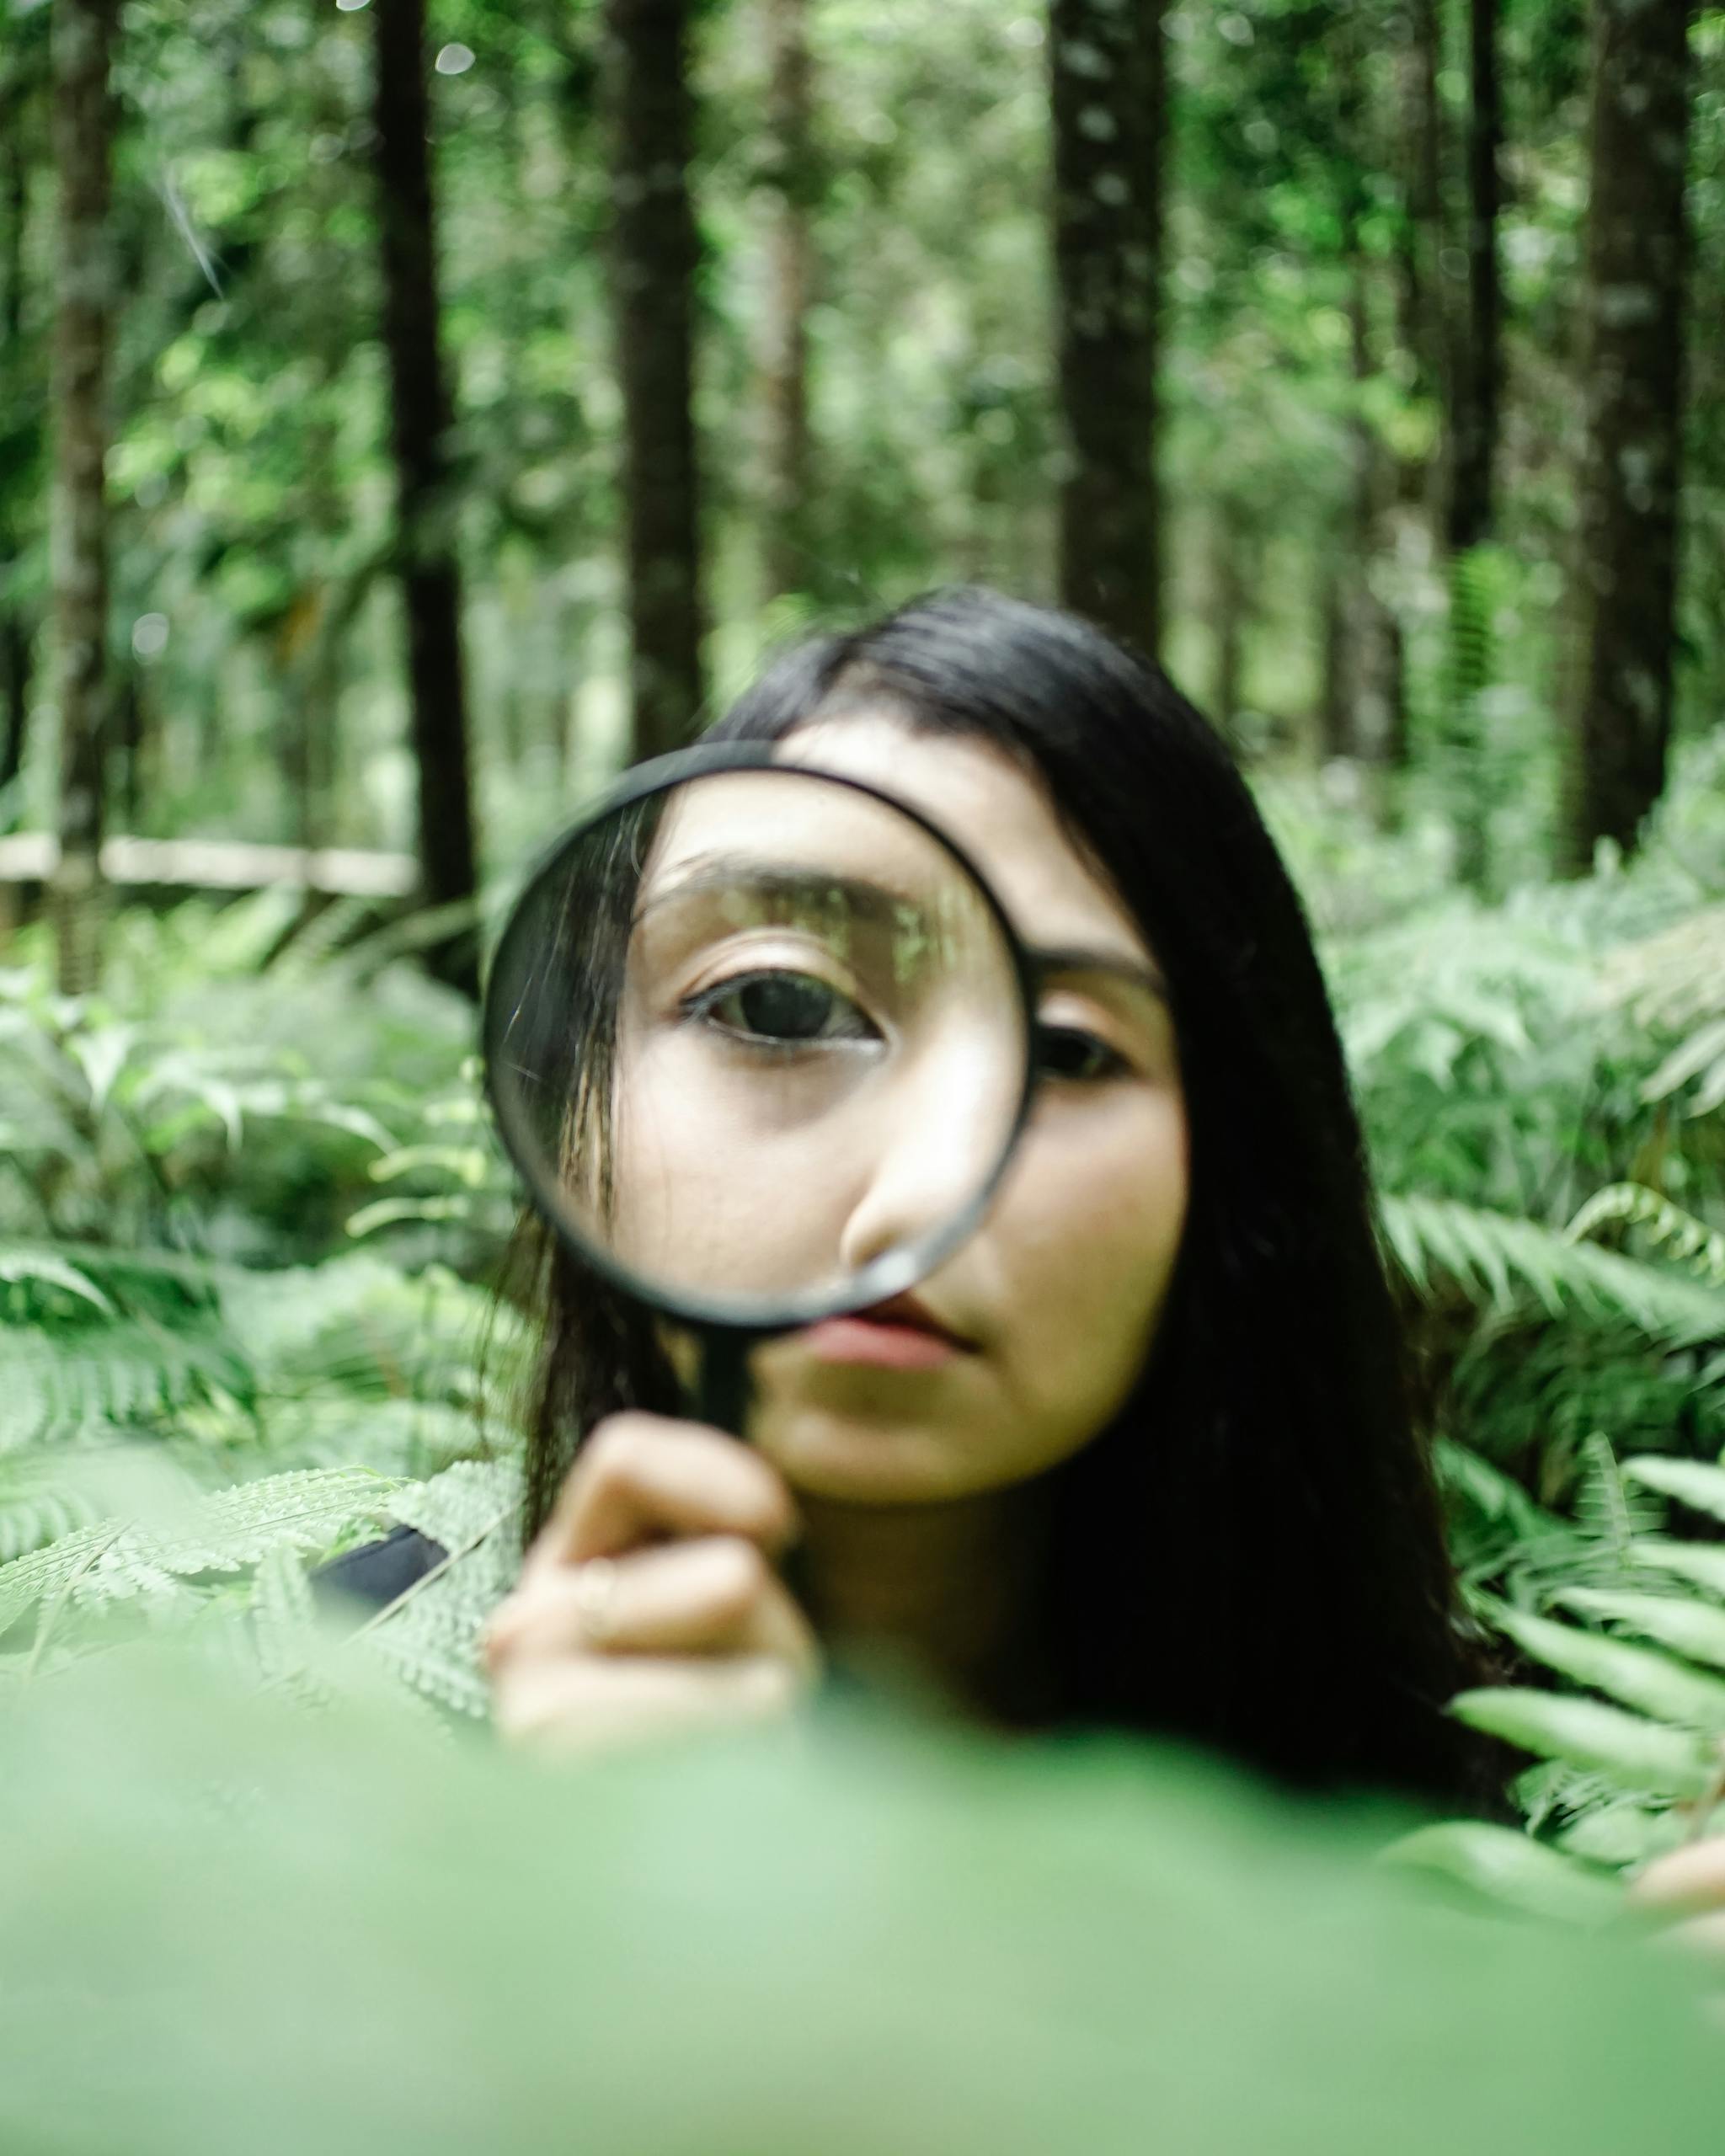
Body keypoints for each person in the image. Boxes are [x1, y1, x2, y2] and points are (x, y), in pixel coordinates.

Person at [466, 584, 1502, 1808]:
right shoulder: (313, 1707)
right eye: (777, 1003)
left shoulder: (1511, 1835)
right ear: (588, 1114)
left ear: (1232, 1171)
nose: (914, 1205)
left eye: (1069, 1052)